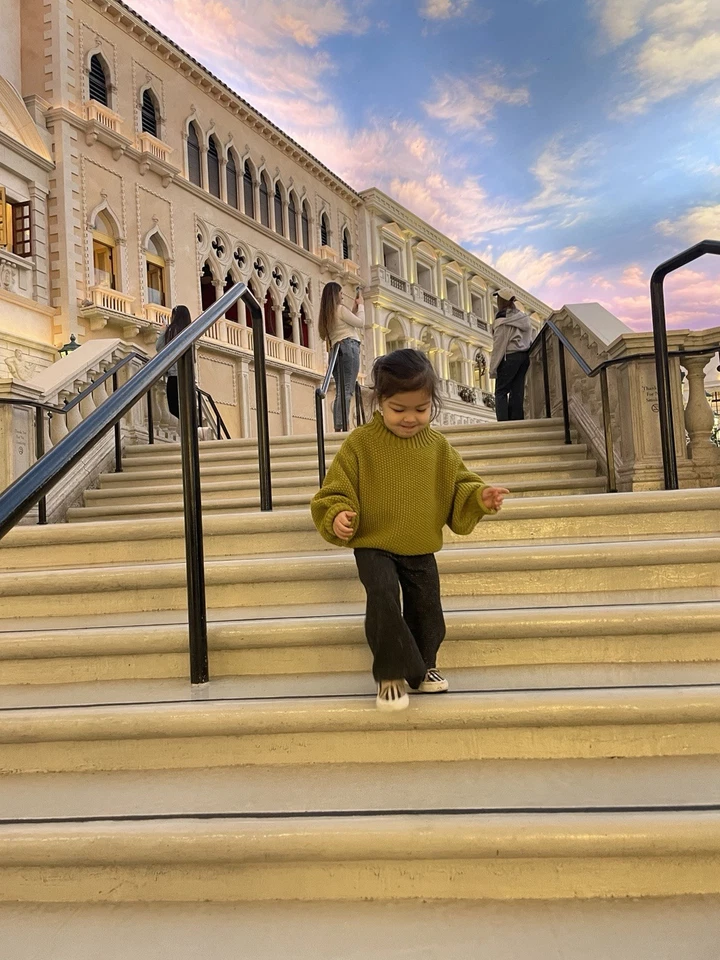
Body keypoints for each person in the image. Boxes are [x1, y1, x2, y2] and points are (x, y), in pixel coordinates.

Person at [311, 349, 508, 712]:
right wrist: (337, 514)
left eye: (420, 409)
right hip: (373, 542)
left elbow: (460, 484)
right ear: (379, 401)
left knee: (427, 611)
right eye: (398, 409)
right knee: (383, 596)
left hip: (419, 544)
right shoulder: (360, 444)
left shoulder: (438, 447)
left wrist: (481, 497)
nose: (410, 418)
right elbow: (334, 490)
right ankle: (390, 674)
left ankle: (423, 667)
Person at [318, 281, 364, 432]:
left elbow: (345, 324)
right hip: (349, 347)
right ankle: (343, 426)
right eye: (340, 292)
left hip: (336, 351)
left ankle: (340, 425)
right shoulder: (340, 309)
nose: (342, 295)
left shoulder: (327, 314)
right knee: (347, 390)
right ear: (335, 294)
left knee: (341, 390)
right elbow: (360, 323)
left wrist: (354, 309)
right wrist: (361, 305)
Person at [490, 287, 533, 421]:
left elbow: (499, 344)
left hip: (509, 357)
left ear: (502, 301)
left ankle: (504, 424)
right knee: (517, 391)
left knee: (501, 392)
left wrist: (493, 367)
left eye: (499, 299)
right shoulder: (522, 317)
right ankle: (517, 421)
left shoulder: (502, 319)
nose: (497, 301)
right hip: (523, 357)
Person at [155, 305, 192, 418]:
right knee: (186, 410)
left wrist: (163, 331)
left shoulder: (171, 330)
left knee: (175, 409)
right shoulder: (190, 331)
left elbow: (159, 347)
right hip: (187, 376)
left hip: (174, 376)